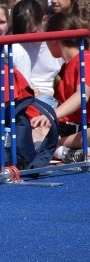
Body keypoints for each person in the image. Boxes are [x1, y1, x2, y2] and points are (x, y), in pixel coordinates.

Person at [43, 13, 89, 162]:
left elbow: (83, 94)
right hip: (67, 129)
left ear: (54, 39)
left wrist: (52, 115)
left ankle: (59, 148)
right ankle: (63, 150)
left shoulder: (85, 59)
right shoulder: (65, 66)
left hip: (83, 130)